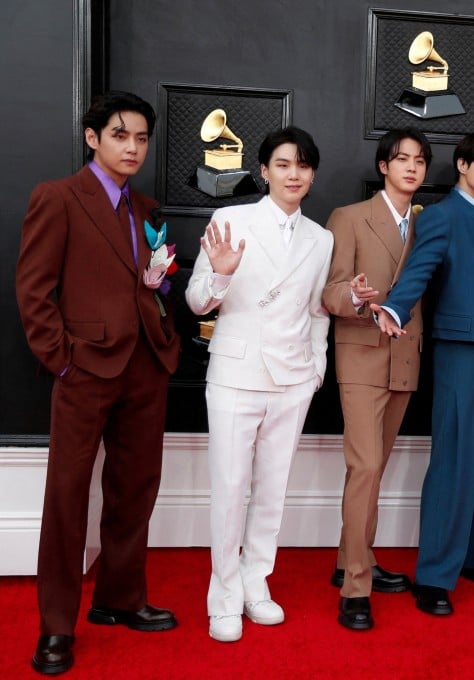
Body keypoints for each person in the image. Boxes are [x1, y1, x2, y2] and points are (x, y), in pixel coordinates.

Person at [16, 91, 181, 674]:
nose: (132, 147)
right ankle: (56, 626)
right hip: (84, 369)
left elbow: (150, 285)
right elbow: (34, 291)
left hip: (146, 368)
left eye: (140, 138)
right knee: (66, 497)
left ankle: (119, 598)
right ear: (93, 138)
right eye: (119, 135)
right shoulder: (58, 198)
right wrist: (63, 361)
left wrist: (161, 296)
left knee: (135, 491)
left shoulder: (148, 209)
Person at [185, 127, 333, 642]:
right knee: (229, 489)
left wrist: (316, 368)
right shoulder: (229, 219)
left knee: (272, 492)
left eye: (304, 166)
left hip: (293, 380)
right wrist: (221, 275)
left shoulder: (322, 238)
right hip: (235, 375)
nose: (294, 174)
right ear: (264, 170)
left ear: (312, 175)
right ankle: (223, 596)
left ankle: (255, 583)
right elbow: (197, 302)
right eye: (284, 164)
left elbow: (317, 312)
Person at [372, 132, 474, 617]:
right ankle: (433, 575)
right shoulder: (441, 216)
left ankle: (469, 556)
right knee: (454, 458)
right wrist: (395, 306)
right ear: (461, 165)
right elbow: (419, 269)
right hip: (458, 348)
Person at [322, 128, 433, 631]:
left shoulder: (429, 222)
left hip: (405, 356)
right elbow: (330, 291)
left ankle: (350, 557)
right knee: (366, 467)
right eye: (401, 158)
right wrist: (355, 296)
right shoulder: (349, 217)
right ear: (383, 166)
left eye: (419, 160)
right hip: (363, 355)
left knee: (373, 468)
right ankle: (356, 586)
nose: (411, 167)